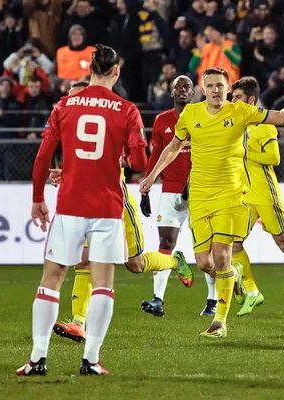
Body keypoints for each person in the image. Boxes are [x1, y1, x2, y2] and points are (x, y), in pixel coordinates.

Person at [16, 45, 188, 377]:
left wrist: (38, 197)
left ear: (90, 69)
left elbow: (42, 155)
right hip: (108, 207)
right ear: (116, 71)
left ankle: (38, 358)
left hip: (69, 206)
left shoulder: (64, 105)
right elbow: (138, 163)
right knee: (103, 283)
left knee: (52, 279)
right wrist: (126, 153)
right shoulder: (126, 110)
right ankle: (91, 360)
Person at [140, 67, 284, 338]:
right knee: (204, 262)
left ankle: (219, 323)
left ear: (227, 89)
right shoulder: (191, 114)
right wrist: (151, 176)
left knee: (222, 255)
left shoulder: (241, 112)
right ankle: (233, 276)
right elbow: (173, 147)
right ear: (203, 89)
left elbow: (282, 118)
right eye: (210, 85)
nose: (215, 90)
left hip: (231, 195)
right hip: (200, 197)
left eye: (220, 85)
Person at [47, 81, 193, 343]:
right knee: (83, 260)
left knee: (134, 264)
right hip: (84, 200)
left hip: (115, 200)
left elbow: (131, 158)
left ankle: (175, 261)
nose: (70, 103)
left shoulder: (113, 119)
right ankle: (79, 323)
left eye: (74, 98)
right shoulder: (72, 124)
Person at [230, 76, 284, 317]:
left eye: (237, 97)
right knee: (232, 242)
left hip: (266, 195)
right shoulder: (236, 123)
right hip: (244, 195)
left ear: (250, 99)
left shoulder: (264, 124)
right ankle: (251, 292)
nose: (232, 100)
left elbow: (274, 158)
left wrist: (245, 152)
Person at [140, 75, 218, 317]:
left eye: (187, 87)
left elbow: (212, 153)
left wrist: (194, 180)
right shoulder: (162, 120)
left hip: (201, 189)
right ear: (172, 93)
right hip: (171, 190)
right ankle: (158, 300)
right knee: (165, 243)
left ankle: (212, 300)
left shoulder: (204, 116)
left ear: (194, 94)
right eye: (178, 87)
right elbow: (156, 155)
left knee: (205, 246)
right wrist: (147, 184)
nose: (183, 90)